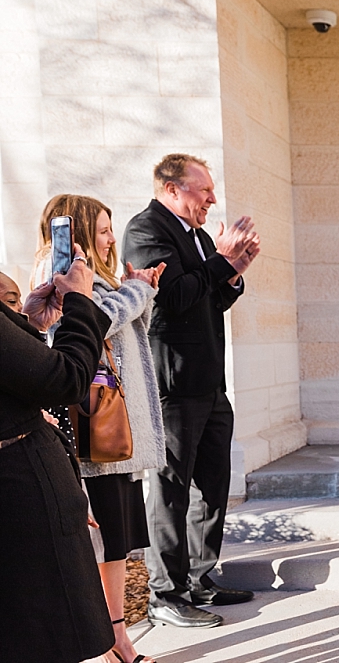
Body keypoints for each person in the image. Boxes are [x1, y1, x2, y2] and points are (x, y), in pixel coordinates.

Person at [123, 153, 260, 629]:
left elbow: (210, 299)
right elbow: (174, 297)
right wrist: (220, 260)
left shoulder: (199, 237)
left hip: (210, 383)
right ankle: (165, 593)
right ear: (173, 189)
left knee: (213, 486)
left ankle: (200, 580)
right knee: (170, 491)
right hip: (173, 384)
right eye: (204, 190)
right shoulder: (146, 232)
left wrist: (234, 270)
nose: (213, 198)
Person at [36, 195, 168, 663]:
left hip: (114, 437)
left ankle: (117, 637)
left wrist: (137, 290)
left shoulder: (98, 279)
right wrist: (141, 290)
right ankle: (110, 642)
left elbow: (127, 335)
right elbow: (97, 320)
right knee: (99, 544)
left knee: (114, 542)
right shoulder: (61, 276)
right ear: (82, 229)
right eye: (106, 228)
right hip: (92, 436)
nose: (113, 238)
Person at [0, 249, 115, 662]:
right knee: (40, 635)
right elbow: (65, 380)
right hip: (20, 496)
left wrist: (26, 325)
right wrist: (80, 303)